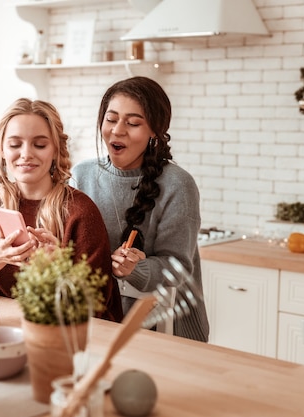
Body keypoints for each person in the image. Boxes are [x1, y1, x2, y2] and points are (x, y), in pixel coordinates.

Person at [0, 98, 123, 323]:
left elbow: (97, 301)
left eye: (39, 145)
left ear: (55, 151)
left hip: (72, 335)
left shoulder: (80, 210)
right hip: (8, 328)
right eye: (15, 145)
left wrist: (60, 265)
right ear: (2, 150)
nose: (26, 154)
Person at [71, 76, 210, 342]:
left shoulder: (178, 185)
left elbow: (179, 267)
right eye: (111, 119)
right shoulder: (82, 175)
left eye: (133, 123)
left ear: (155, 131)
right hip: (97, 321)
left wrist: (137, 269)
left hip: (164, 327)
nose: (118, 130)